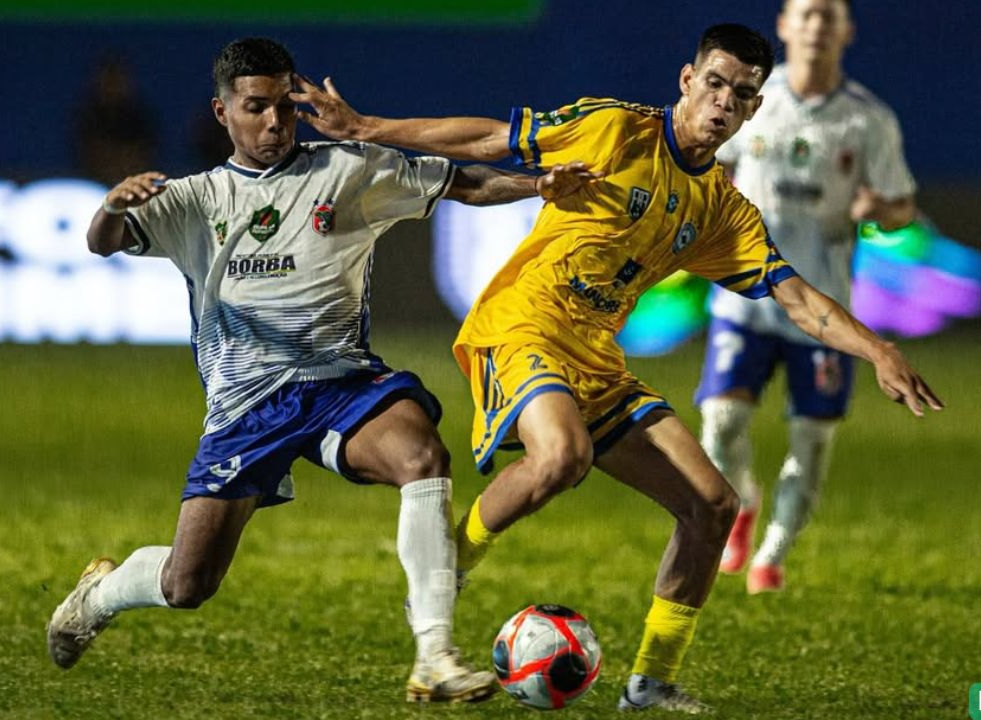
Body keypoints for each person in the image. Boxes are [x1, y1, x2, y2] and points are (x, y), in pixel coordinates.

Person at [292, 22, 941, 713]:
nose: (723, 102)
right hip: (525, 323)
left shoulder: (722, 210)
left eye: (741, 94)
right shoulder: (614, 129)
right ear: (687, 82)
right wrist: (367, 125)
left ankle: (650, 684)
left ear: (753, 110)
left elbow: (795, 295)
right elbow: (492, 138)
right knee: (562, 455)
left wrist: (878, 349)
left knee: (712, 506)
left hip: (595, 357)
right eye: (714, 83)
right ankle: (449, 567)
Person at [46, 37, 597, 705]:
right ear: (223, 114)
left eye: (284, 106)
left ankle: (434, 655)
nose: (275, 122)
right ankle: (98, 595)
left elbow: (459, 181)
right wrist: (111, 208)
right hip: (246, 409)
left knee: (422, 456)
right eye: (257, 108)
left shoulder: (347, 170)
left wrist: (538, 186)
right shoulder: (196, 199)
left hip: (340, 385)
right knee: (187, 585)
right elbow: (101, 244)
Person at [692, 0, 920, 595]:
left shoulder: (868, 120)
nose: (817, 26)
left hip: (822, 310)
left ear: (846, 32)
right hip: (746, 299)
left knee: (811, 441)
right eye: (806, 14)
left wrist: (881, 211)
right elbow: (707, 166)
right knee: (720, 423)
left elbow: (902, 205)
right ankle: (742, 505)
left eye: (829, 16)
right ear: (786, 27)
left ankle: (772, 554)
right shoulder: (752, 104)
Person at [73, 55, 159, 186]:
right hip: (95, 183)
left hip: (134, 186)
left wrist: (127, 165)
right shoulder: (88, 118)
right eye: (109, 80)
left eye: (118, 80)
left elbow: (146, 153)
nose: (113, 86)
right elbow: (87, 153)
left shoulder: (139, 118)